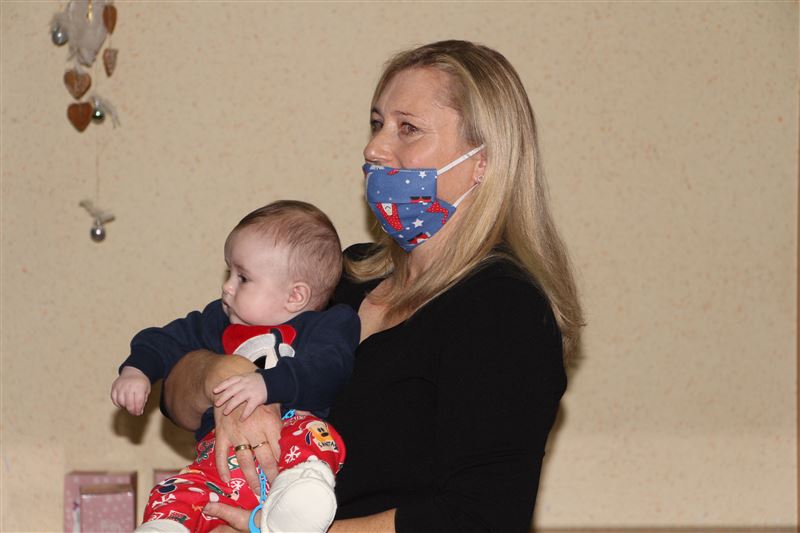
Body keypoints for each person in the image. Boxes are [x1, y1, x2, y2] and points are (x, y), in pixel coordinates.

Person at [165, 40, 583, 533]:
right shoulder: (346, 276)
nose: (374, 148)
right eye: (377, 123)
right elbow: (174, 396)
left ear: (482, 162)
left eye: (408, 128)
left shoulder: (503, 309)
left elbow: (482, 517)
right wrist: (224, 373)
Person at [111, 200, 359, 533]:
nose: (227, 286)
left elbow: (329, 368)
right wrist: (137, 370)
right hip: (221, 458)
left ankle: (296, 507)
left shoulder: (329, 325)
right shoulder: (217, 320)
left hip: (290, 446)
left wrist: (267, 384)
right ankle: (165, 526)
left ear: (295, 296)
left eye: (243, 277)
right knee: (179, 487)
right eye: (229, 272)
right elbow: (165, 340)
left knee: (316, 440)